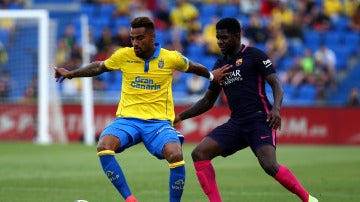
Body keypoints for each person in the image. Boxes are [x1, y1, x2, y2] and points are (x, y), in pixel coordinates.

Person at [54, 16, 230, 202]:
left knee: (176, 154)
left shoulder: (170, 58)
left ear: (152, 37)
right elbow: (99, 67)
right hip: (128, 119)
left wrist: (211, 75)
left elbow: (193, 67)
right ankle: (130, 199)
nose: (135, 42)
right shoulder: (124, 55)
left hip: (158, 123)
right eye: (132, 38)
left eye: (139, 38)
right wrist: (72, 74)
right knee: (104, 146)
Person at [174, 18, 318, 202]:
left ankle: (308, 199)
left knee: (269, 165)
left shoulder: (255, 55)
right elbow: (208, 101)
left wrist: (276, 109)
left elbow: (277, 85)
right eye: (217, 38)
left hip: (260, 120)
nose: (220, 42)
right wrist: (180, 116)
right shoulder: (219, 66)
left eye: (224, 37)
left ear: (236, 36)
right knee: (199, 153)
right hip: (237, 123)